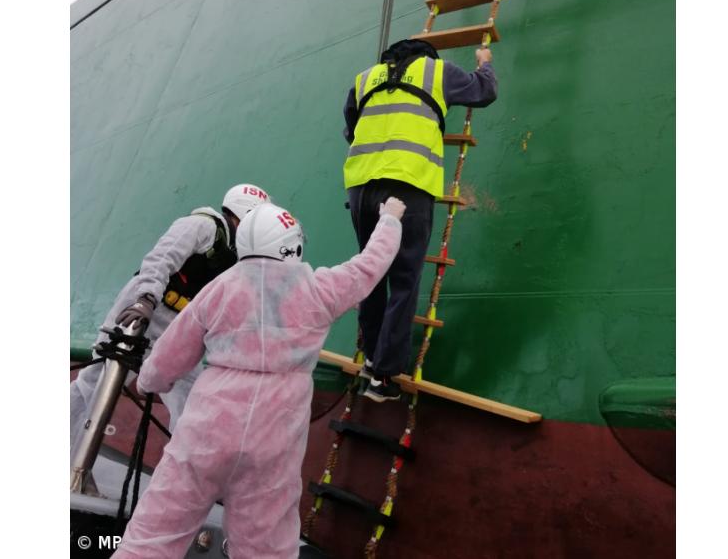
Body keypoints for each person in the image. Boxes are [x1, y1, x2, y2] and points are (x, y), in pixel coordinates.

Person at [112, 199, 406, 559]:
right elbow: (369, 267)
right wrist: (389, 219)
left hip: (206, 435)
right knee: (265, 547)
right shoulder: (319, 288)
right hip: (274, 443)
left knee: (153, 537)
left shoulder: (219, 289)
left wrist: (147, 384)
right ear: (292, 244)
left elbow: (169, 355)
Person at [342, 38, 498, 402]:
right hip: (407, 187)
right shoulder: (436, 71)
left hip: (361, 188)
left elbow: (351, 128)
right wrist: (484, 61)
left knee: (370, 273)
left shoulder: (364, 79)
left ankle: (370, 360)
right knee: (404, 280)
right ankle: (383, 376)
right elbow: (484, 90)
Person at [69, 184, 271, 456]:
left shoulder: (237, 255)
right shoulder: (201, 226)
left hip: (181, 330)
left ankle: (180, 477)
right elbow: (160, 260)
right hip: (143, 314)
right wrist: (145, 300)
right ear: (244, 215)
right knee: (95, 384)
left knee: (192, 401)